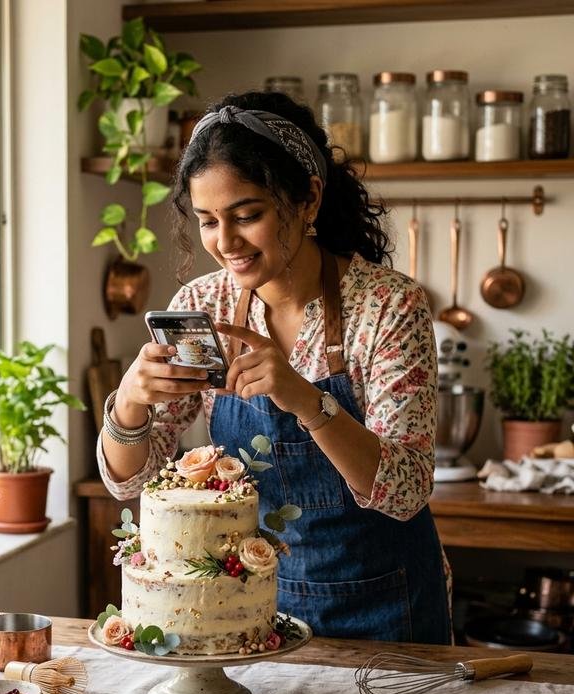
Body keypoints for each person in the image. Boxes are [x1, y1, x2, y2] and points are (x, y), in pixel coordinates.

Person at [97, 91, 451, 645]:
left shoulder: (389, 306)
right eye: (208, 221)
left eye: (247, 216)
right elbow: (131, 482)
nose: (226, 243)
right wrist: (129, 402)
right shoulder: (204, 306)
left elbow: (405, 491)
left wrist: (306, 399)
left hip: (387, 606)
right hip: (256, 612)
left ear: (308, 199)